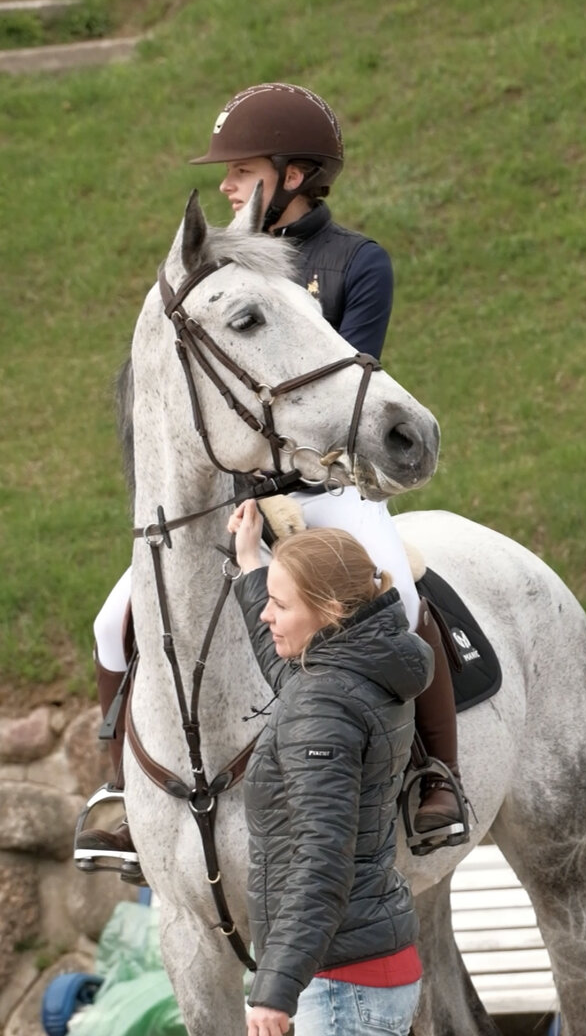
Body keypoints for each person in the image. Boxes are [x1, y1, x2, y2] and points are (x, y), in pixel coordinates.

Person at [75, 84, 465, 871]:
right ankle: (118, 791)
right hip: (235, 498)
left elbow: (347, 390)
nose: (225, 185)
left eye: (240, 169)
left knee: (405, 593)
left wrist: (289, 489)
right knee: (112, 621)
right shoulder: (232, 269)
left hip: (325, 489)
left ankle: (437, 774)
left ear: (292, 173)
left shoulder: (355, 261)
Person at [228, 498, 433, 1036]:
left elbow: (321, 859)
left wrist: (274, 991)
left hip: (340, 984)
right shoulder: (359, 664)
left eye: (280, 605)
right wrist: (251, 564)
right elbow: (286, 671)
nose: (267, 615)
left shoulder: (323, 701)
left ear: (330, 612)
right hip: (365, 967)